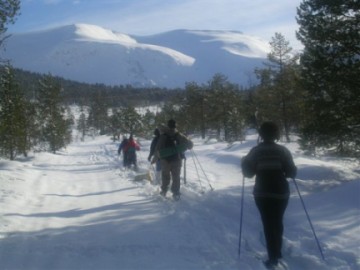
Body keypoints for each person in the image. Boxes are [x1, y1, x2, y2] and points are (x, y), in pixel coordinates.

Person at [241, 122, 297, 269]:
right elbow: (291, 173)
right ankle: (276, 252)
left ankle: (273, 257)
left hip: (262, 192)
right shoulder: (283, 151)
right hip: (281, 192)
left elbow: (248, 174)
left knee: (268, 223)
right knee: (277, 222)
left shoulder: (255, 151)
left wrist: (244, 163)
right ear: (276, 134)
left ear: (261, 134)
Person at [153, 119, 193, 200]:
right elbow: (190, 145)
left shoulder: (163, 136)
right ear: (175, 126)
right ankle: (176, 193)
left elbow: (157, 148)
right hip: (177, 159)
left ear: (168, 125)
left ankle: (164, 191)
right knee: (176, 177)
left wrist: (154, 159)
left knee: (165, 176)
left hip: (165, 160)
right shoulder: (179, 135)